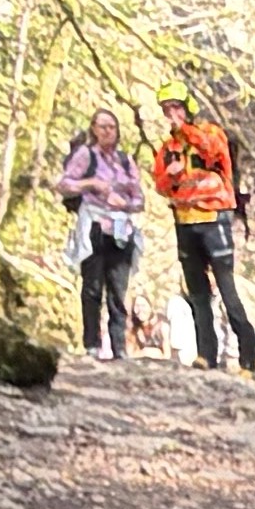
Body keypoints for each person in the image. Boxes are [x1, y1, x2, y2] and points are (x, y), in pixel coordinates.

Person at [149, 89, 255, 371]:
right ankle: (205, 354)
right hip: (185, 222)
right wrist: (169, 177)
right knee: (197, 292)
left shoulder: (210, 132)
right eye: (166, 109)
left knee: (226, 287)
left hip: (214, 218)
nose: (171, 114)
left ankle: (248, 352)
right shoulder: (168, 147)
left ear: (188, 107)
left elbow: (213, 151)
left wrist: (184, 129)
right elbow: (160, 185)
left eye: (176, 107)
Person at [49, 111, 150, 360]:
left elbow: (139, 198)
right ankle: (92, 344)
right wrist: (91, 184)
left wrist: (124, 203)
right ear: (93, 129)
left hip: (121, 228)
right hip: (94, 224)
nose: (108, 132)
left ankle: (119, 347)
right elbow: (63, 184)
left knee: (118, 289)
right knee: (92, 287)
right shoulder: (86, 156)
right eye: (102, 127)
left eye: (112, 127)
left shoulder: (126, 161)